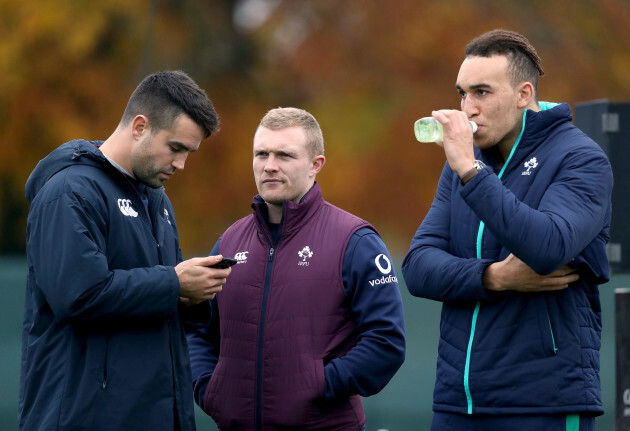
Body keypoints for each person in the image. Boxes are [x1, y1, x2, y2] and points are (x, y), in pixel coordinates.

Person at [402, 29, 613, 431]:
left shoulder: (580, 157)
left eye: (482, 92)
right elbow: (417, 267)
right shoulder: (463, 168)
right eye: (462, 93)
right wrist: (493, 277)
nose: (468, 109)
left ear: (523, 94)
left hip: (543, 404)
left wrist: (469, 170)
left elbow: (548, 246)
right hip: (457, 405)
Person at [19, 70, 231, 431]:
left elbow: (154, 299)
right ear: (139, 127)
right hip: (84, 418)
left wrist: (194, 296)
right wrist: (175, 285)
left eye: (189, 153)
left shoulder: (157, 200)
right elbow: (78, 296)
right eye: (176, 148)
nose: (181, 164)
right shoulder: (69, 191)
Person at [186, 107, 406, 430]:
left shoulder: (355, 241)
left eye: (284, 155)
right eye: (261, 154)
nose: (269, 166)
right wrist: (209, 389)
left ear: (316, 165)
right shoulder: (230, 242)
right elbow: (198, 332)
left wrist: (320, 385)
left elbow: (386, 341)